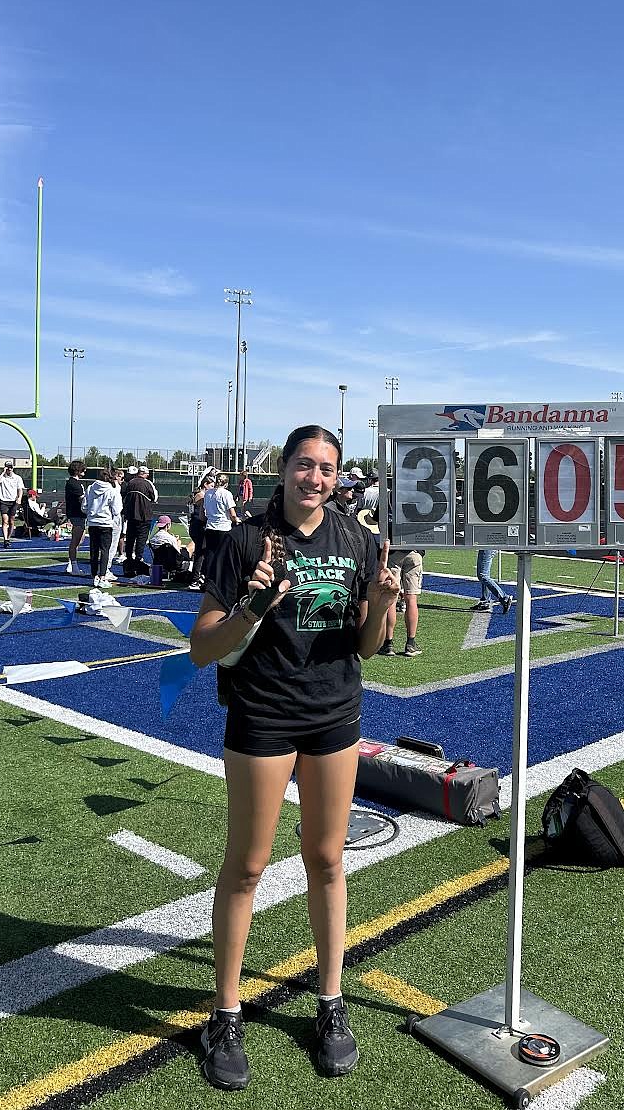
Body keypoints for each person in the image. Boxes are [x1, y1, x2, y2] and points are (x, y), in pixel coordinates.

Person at [189, 425, 399, 1089]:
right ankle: (224, 1013)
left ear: (338, 476)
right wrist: (251, 608)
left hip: (334, 716)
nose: (315, 476)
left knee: (328, 858)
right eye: (304, 464)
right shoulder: (246, 538)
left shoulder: (355, 539)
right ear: (283, 469)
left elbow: (365, 646)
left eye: (327, 467)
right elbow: (201, 649)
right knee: (247, 865)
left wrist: (386, 607)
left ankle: (331, 1003)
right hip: (263, 715)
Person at [379, 546, 423, 657]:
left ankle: (388, 643)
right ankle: (410, 643)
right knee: (411, 599)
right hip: (415, 550)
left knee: (391, 599)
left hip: (394, 551)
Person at [85, 469, 122, 589]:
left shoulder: (90, 488)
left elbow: (84, 506)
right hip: (105, 523)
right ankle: (102, 577)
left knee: (94, 550)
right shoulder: (112, 490)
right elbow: (117, 510)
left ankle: (94, 576)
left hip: (92, 523)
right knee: (105, 550)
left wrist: (92, 513)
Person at [123, 465, 158, 577]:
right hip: (144, 516)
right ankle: (138, 562)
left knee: (130, 539)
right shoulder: (148, 483)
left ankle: (128, 563)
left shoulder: (130, 483)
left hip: (131, 516)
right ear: (146, 474)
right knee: (141, 540)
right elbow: (154, 498)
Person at [203, 472, 239, 572]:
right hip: (223, 528)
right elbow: (232, 514)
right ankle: (219, 578)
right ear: (226, 484)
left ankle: (208, 577)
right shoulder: (227, 494)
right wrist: (237, 520)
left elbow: (205, 510)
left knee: (210, 553)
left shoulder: (208, 493)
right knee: (223, 555)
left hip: (210, 527)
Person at [188, 472, 215, 589]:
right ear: (206, 484)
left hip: (197, 525)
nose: (213, 488)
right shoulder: (202, 496)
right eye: (211, 486)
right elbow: (201, 513)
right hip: (198, 526)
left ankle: (200, 576)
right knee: (200, 553)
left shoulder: (203, 495)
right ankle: (195, 579)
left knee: (202, 552)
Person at [0, 460, 25, 547]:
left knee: (11, 521)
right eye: (8, 467)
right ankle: (5, 539)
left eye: (11, 467)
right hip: (4, 501)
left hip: (13, 501)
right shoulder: (3, 477)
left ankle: (9, 537)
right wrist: (3, 472)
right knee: (5, 521)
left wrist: (19, 498)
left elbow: (20, 489)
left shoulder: (17, 478)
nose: (9, 469)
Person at [472, 550, 514, 615]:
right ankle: (485, 601)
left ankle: (504, 598)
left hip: (487, 546)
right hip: (488, 546)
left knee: (482, 575)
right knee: (485, 575)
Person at [64, 460, 87, 575]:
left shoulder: (74, 483)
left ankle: (71, 564)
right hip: (76, 515)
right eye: (82, 469)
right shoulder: (74, 484)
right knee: (76, 540)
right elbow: (82, 500)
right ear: (77, 470)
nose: (85, 471)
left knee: (80, 540)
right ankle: (73, 565)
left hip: (78, 514)